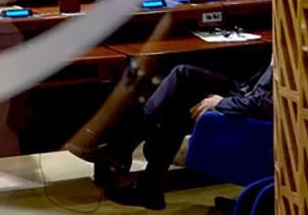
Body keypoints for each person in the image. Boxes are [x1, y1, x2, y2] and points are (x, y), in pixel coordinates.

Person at [94, 61, 274, 209]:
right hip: (248, 92)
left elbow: (269, 104)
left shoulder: (289, 46)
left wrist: (221, 103)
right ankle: (146, 180)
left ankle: (125, 156)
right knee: (183, 77)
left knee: (179, 102)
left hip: (257, 113)